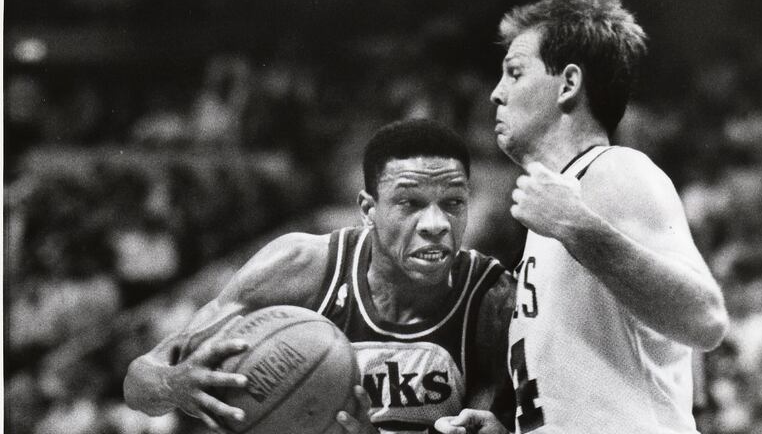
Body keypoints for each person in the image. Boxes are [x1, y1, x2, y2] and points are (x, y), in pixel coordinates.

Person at [435, 0, 729, 433]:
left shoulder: (614, 172)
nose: (497, 93)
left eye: (515, 72)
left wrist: (579, 228)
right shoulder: (556, 210)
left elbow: (705, 319)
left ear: (569, 83)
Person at [124, 119, 515, 434]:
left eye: (453, 203)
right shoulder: (301, 266)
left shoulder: (492, 301)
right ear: (368, 208)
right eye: (409, 203)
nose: (435, 224)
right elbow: (138, 381)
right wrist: (173, 384)